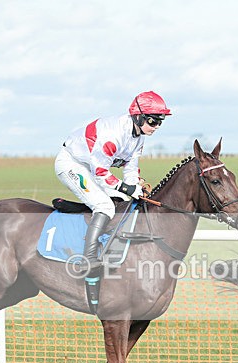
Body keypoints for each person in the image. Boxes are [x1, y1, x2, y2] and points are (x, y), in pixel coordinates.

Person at [54, 91, 171, 274]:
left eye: (160, 122)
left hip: (92, 167)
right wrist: (126, 187)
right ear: (138, 116)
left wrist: (135, 189)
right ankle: (88, 259)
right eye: (153, 121)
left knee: (124, 201)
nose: (156, 126)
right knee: (105, 206)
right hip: (72, 164)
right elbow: (100, 172)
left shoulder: (139, 137)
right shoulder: (114, 135)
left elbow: (131, 169)